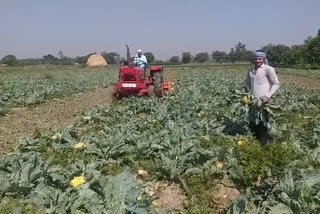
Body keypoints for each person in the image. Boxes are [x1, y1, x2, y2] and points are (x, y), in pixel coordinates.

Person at [246, 50, 280, 144]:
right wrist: (245, 95)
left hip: (263, 99)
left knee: (263, 121)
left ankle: (263, 142)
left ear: (263, 59)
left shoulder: (268, 69)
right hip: (252, 100)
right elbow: (247, 83)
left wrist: (268, 96)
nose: (257, 60)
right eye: (256, 58)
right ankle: (254, 139)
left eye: (259, 59)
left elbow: (276, 84)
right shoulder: (250, 69)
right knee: (252, 120)